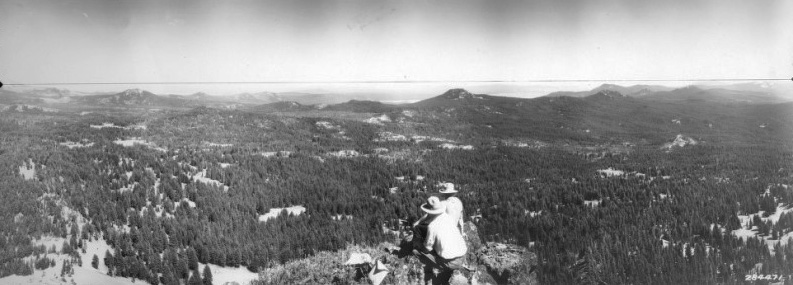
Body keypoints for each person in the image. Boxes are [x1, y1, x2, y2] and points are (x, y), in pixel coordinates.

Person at [413, 196, 468, 284]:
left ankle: (430, 273)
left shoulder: (432, 226)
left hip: (452, 263)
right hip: (463, 256)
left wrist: (420, 246)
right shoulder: (448, 217)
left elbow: (427, 249)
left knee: (417, 252)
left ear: (429, 212)